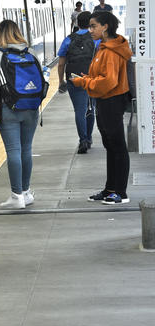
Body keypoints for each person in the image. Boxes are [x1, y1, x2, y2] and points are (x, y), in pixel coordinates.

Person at [71, 11, 131, 204]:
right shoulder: (103, 48)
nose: (90, 30)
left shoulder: (112, 51)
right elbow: (101, 77)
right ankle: (110, 189)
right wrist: (86, 79)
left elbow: (109, 82)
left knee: (117, 147)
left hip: (112, 101)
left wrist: (84, 83)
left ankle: (120, 193)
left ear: (105, 26)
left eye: (93, 26)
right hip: (105, 101)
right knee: (110, 146)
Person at [0, 20, 40, 209]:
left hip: (8, 109)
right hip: (31, 108)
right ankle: (26, 192)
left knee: (13, 151)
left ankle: (16, 196)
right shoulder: (30, 53)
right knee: (26, 149)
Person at [58, 11, 99, 154]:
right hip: (91, 78)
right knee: (90, 108)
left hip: (74, 79)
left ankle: (82, 140)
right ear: (91, 23)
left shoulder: (68, 39)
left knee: (79, 110)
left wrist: (60, 81)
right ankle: (88, 139)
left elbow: (61, 63)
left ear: (77, 23)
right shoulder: (96, 39)